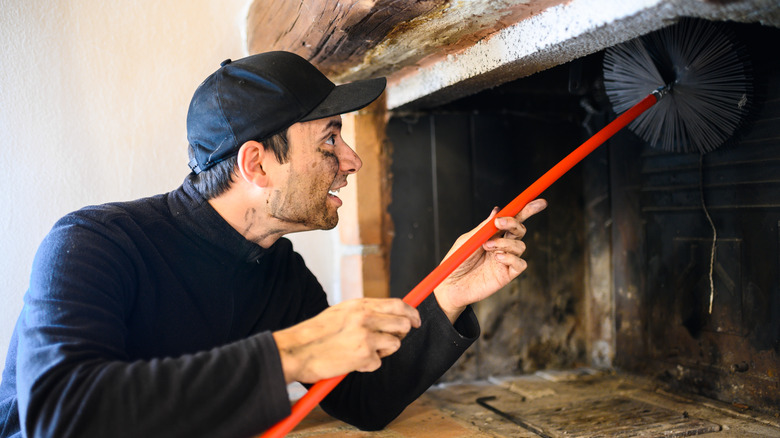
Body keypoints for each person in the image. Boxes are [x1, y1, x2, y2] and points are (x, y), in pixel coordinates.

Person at [0, 51, 547, 438]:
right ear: (257, 163)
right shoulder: (92, 244)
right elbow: (60, 417)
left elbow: (360, 400)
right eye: (330, 139)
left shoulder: (279, 273)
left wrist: (448, 295)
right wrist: (295, 350)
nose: (351, 160)